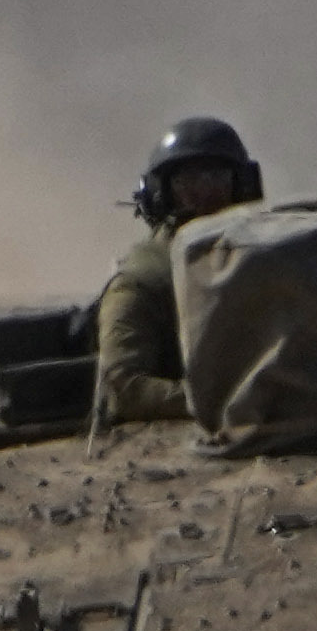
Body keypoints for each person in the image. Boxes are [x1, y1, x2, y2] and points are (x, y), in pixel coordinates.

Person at [93, 115, 269, 432]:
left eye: (216, 178)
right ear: (161, 195)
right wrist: (227, 401)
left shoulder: (260, 259)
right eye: (187, 181)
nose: (204, 194)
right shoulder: (144, 279)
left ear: (242, 186)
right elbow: (125, 388)